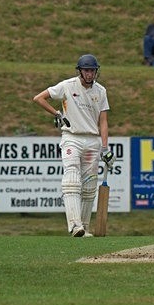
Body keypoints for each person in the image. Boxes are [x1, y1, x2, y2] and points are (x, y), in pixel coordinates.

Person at [33, 54, 113, 237]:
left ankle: (84, 227)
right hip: (72, 137)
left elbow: (103, 122)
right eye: (86, 70)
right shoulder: (67, 86)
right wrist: (57, 113)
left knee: (90, 185)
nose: (90, 74)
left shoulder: (101, 91)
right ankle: (75, 225)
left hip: (93, 141)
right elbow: (39, 98)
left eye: (92, 71)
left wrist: (105, 147)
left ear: (96, 72)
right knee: (72, 178)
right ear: (80, 71)